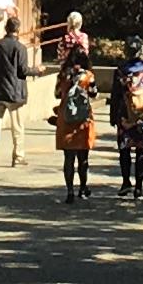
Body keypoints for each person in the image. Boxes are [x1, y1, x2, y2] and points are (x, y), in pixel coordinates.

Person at [0, 13, 32, 171]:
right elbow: (23, 71)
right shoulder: (20, 48)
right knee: (17, 126)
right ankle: (18, 156)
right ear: (18, 30)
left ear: (6, 28)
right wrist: (37, 71)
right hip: (15, 93)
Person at [112, 41, 143, 198]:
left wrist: (113, 117)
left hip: (125, 115)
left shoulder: (121, 71)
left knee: (124, 150)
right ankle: (139, 187)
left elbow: (115, 95)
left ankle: (126, 182)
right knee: (141, 150)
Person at [54, 49, 99, 203]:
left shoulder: (63, 74)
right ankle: (83, 188)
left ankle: (69, 191)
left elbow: (57, 93)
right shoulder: (88, 76)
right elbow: (94, 94)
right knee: (83, 157)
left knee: (68, 157)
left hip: (66, 119)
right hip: (83, 120)